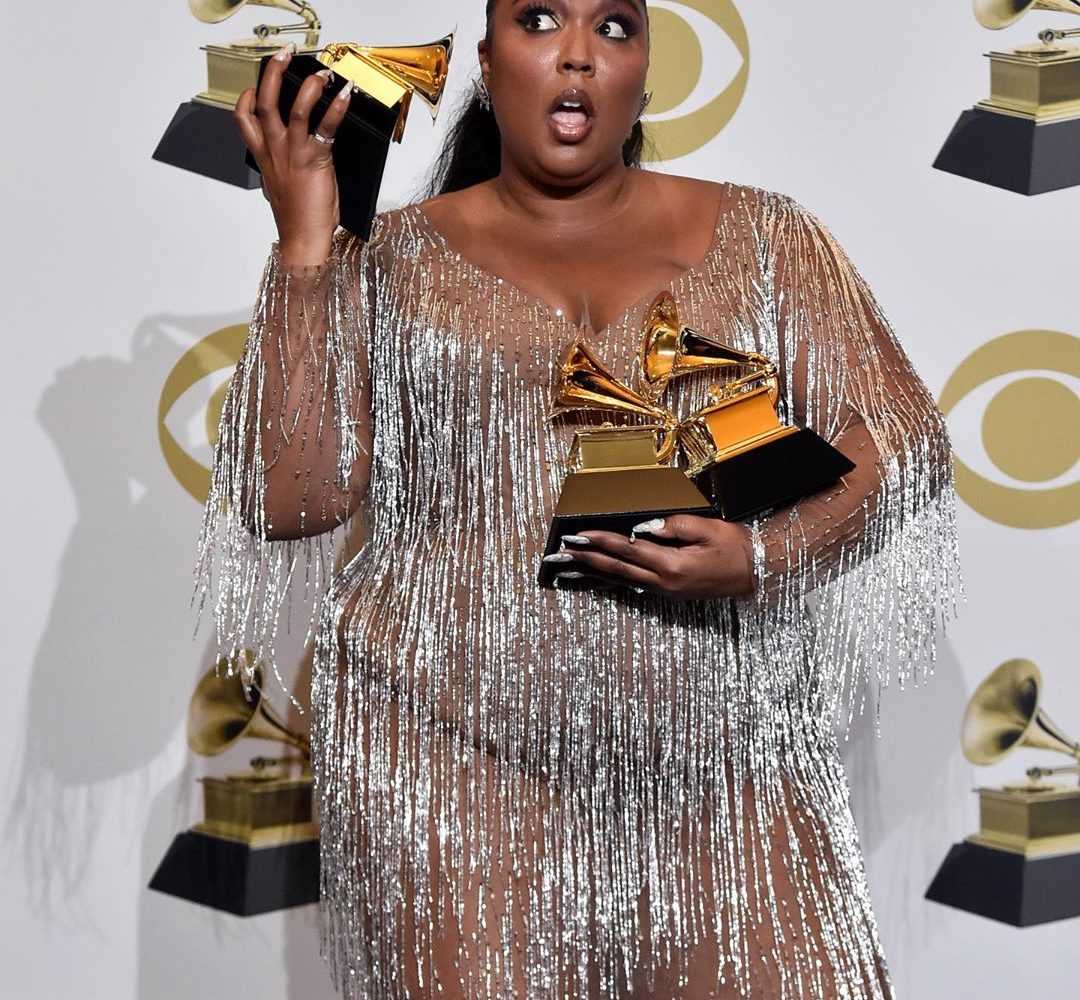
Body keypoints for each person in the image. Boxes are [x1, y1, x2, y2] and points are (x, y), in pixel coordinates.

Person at [198, 1, 962, 997]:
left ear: (644, 67)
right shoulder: (382, 257)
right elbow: (293, 498)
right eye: (540, 19)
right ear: (488, 61)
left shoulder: (768, 234)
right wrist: (305, 244)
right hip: (447, 753)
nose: (576, 55)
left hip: (723, 755)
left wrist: (764, 556)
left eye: (613, 27)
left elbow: (901, 434)